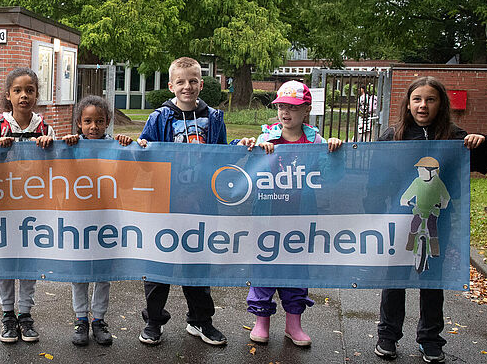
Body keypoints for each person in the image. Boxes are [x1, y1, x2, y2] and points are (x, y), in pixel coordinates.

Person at [374, 76, 487, 364]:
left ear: (440, 103)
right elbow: (376, 175)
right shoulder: (394, 136)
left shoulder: (454, 138)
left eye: (430, 99)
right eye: (417, 99)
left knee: (432, 279)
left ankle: (430, 339)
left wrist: (482, 143)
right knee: (395, 278)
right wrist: (376, 208)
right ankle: (387, 336)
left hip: (439, 221)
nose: (423, 105)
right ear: (408, 104)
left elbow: (483, 162)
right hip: (399, 220)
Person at [237, 81, 343, 347]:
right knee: (264, 268)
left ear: (306, 110)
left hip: (300, 218)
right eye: (282, 106)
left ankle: (293, 324)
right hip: (267, 218)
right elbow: (248, 171)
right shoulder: (266, 138)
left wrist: (334, 153)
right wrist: (250, 148)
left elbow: (330, 177)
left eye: (293, 107)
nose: (286, 113)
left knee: (296, 270)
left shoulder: (316, 141)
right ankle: (261, 321)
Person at [138, 57, 228, 347]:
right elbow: (143, 155)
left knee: (197, 264)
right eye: (181, 81)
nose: (187, 86)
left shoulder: (214, 119)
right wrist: (138, 148)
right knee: (159, 264)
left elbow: (223, 156)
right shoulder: (159, 118)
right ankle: (153, 321)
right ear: (171, 85)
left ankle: (201, 321)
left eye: (192, 81)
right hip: (165, 203)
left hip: (201, 204)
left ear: (201, 84)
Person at [61, 95, 145, 346]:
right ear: (78, 123)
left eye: (99, 121)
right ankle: (80, 319)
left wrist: (126, 145)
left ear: (108, 122)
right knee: (79, 272)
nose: (93, 126)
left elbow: (129, 171)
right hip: (79, 217)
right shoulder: (72, 145)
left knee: (103, 273)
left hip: (108, 218)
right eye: (88, 121)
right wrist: (66, 146)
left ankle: (98, 319)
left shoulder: (115, 146)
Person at [0, 67, 55, 344]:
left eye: (29, 90)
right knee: (5, 259)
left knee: (28, 259)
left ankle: (25, 314)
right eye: (17, 91)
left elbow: (56, 168)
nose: (24, 96)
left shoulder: (45, 128)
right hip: (4, 203)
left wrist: (50, 147)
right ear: (8, 95)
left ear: (36, 94)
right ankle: (7, 314)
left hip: (33, 204)